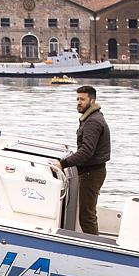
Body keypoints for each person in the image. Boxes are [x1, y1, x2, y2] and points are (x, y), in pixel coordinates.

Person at [54, 85, 110, 235]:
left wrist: (62, 164)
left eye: (82, 99)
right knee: (87, 213)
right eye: (77, 99)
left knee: (86, 216)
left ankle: (95, 245)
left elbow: (86, 151)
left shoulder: (93, 122)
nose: (79, 102)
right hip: (91, 171)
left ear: (92, 101)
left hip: (92, 173)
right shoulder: (91, 118)